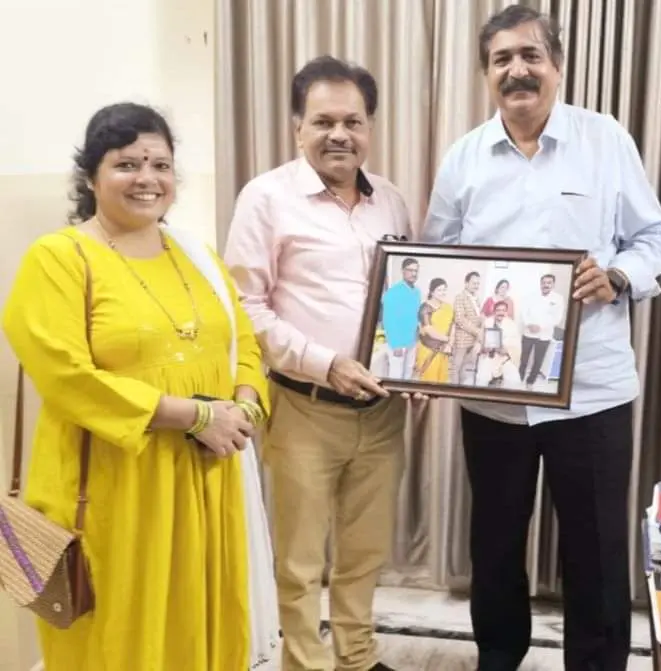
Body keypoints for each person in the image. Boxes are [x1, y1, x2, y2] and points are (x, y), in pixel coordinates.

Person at [421, 5, 661, 671]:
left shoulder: (604, 139)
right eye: (501, 59)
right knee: (494, 544)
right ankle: (497, 656)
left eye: (530, 55)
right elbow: (438, 257)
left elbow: (655, 236)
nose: (517, 70)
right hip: (493, 397)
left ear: (556, 65)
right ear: (486, 73)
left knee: (596, 551)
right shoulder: (463, 158)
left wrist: (617, 276)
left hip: (590, 391)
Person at [2, 102, 279, 671]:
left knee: (201, 624)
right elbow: (66, 376)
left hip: (207, 481)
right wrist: (196, 416)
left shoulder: (196, 255)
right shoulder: (59, 258)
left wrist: (246, 407)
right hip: (113, 488)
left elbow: (243, 344)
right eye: (126, 164)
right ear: (91, 176)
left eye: (160, 164)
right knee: (121, 637)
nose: (147, 178)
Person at [224, 55, 410, 671]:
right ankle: (306, 663)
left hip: (382, 410)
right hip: (304, 406)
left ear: (369, 127)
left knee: (365, 551)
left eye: (353, 122)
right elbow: (244, 307)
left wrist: (416, 364)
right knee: (301, 560)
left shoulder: (391, 201)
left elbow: (403, 294)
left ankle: (357, 656)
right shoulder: (267, 198)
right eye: (324, 121)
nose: (339, 135)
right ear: (297, 127)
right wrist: (326, 363)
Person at [519, 273, 564, 388]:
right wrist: (529, 324)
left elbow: (557, 318)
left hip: (545, 334)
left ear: (553, 285)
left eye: (549, 283)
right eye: (543, 283)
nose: (546, 285)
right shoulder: (531, 296)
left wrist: (541, 326)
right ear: (540, 284)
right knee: (524, 358)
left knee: (538, 360)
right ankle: (519, 378)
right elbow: (524, 312)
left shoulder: (558, 299)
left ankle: (530, 381)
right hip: (528, 332)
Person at [381, 257, 421, 379]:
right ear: (403, 271)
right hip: (398, 342)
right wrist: (395, 343)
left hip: (412, 341)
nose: (413, 273)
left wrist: (417, 339)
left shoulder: (417, 292)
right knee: (396, 375)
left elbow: (415, 316)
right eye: (410, 270)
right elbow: (388, 319)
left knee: (408, 373)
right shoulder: (394, 292)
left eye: (416, 270)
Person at [413, 278, 455, 382]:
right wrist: (447, 339)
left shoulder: (448, 307)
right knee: (428, 382)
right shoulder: (425, 308)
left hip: (444, 350)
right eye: (439, 290)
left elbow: (452, 326)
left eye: (444, 289)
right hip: (429, 350)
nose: (442, 292)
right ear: (432, 292)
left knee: (441, 382)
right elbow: (428, 330)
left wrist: (450, 345)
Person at [475, 301, 522, 389]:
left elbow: (516, 346)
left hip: (505, 358)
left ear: (506, 312)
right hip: (489, 357)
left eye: (503, 310)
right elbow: (479, 341)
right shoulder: (487, 322)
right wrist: (484, 348)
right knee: (481, 378)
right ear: (494, 312)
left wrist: (507, 350)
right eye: (498, 310)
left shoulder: (512, 325)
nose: (501, 313)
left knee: (514, 380)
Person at [450, 271, 484, 384]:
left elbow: (478, 317)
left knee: (464, 368)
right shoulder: (460, 297)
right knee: (456, 368)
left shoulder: (476, 298)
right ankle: (453, 391)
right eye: (474, 283)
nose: (476, 286)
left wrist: (483, 325)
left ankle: (461, 389)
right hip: (462, 339)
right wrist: (478, 332)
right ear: (466, 283)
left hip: (473, 340)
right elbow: (460, 319)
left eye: (478, 283)